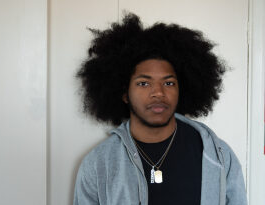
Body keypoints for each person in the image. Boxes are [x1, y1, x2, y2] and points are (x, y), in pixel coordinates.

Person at [73, 13, 247, 205]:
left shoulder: (217, 155)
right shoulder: (99, 163)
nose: (158, 93)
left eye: (169, 83)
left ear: (183, 89)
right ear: (124, 93)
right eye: (144, 83)